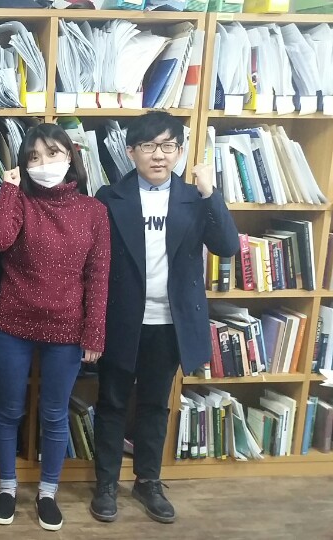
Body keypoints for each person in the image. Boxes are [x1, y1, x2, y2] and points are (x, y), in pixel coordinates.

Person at [90, 111, 239, 525]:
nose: (159, 155)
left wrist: (211, 193)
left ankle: (148, 481)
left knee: (155, 404)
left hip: (170, 322)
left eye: (168, 146)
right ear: (131, 151)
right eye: (149, 146)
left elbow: (227, 246)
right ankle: (105, 484)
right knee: (112, 403)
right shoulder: (109, 197)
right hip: (122, 320)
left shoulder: (194, 198)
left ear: (179, 150)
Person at [0, 123, 111, 531]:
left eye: (52, 153)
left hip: (67, 327)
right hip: (13, 321)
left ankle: (47, 493)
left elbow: (99, 276)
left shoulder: (94, 211)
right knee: (9, 409)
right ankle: (7, 488)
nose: (43, 163)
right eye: (33, 157)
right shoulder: (19, 199)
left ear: (70, 156)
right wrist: (8, 189)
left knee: (55, 414)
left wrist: (94, 333)